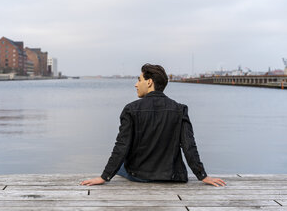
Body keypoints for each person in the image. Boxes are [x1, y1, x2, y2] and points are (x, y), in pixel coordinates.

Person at [80, 64, 226, 187]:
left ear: (149, 82)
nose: (136, 84)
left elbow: (122, 146)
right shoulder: (180, 109)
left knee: (123, 166)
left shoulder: (131, 109)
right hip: (173, 176)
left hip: (139, 175)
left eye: (139, 80)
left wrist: (104, 177)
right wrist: (202, 175)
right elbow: (189, 146)